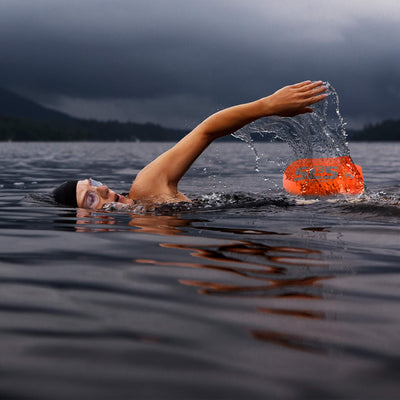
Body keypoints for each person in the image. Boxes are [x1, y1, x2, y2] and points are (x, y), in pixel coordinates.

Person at [53, 80, 327, 209]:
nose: (103, 189)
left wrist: (267, 106)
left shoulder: (146, 189)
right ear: (83, 224)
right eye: (90, 198)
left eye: (94, 183)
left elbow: (206, 131)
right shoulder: (144, 240)